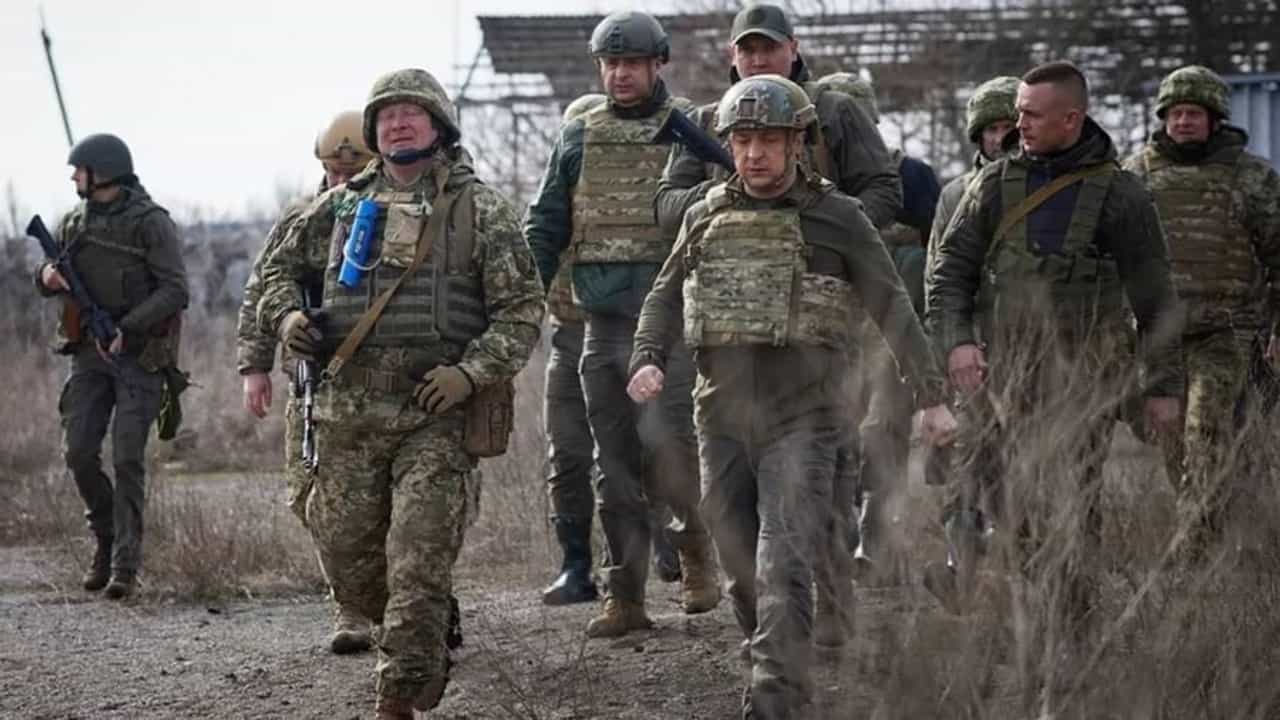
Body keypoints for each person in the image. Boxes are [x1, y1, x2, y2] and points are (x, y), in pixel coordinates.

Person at [628, 74, 957, 718]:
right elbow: (665, 295)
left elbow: (893, 306)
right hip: (720, 414)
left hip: (806, 416)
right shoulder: (704, 214)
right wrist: (647, 356)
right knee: (739, 566)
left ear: (796, 144)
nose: (754, 154)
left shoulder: (839, 217)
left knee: (783, 559)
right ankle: (773, 654)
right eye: (743, 140)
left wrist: (930, 395)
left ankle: (777, 695)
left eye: (770, 141)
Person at [256, 68, 543, 720]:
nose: (399, 123)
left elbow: (523, 310)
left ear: (439, 126)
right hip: (346, 414)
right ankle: (420, 641)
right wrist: (287, 319)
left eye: (413, 113)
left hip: (432, 416)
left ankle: (399, 696)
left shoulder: (481, 211)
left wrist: (471, 373)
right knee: (350, 562)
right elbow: (275, 273)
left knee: (416, 564)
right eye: (387, 115)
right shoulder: (336, 208)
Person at [925, 62, 1183, 645]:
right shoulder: (993, 185)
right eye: (1018, 112)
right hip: (1002, 379)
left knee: (1072, 502)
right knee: (1008, 500)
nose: (1018, 124)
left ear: (1072, 118)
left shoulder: (1120, 195)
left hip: (1085, 382)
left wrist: (1164, 387)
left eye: (1031, 115)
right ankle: (1033, 610)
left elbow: (1157, 299)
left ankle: (1071, 630)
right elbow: (951, 273)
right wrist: (957, 342)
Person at [524, 12, 721, 639]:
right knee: (612, 466)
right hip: (603, 322)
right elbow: (546, 225)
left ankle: (696, 557)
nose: (620, 74)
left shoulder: (691, 127)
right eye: (610, 64)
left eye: (632, 63)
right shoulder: (579, 136)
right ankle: (625, 596)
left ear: (657, 64)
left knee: (673, 448)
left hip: (672, 321)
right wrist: (522, 301)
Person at [235, 110, 382, 654]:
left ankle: (409, 601)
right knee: (309, 496)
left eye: (352, 172)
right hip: (311, 377)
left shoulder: (393, 214)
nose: (340, 182)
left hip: (378, 376)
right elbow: (262, 289)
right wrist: (254, 365)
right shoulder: (300, 218)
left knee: (385, 498)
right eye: (333, 172)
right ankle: (351, 605)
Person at [1123, 65, 1280, 556]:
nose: (1183, 121)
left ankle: (1191, 552)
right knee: (1173, 440)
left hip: (1225, 332)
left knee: (1205, 432)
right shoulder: (1135, 175)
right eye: (1175, 113)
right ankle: (1215, 524)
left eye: (1193, 113)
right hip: (1159, 335)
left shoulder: (1252, 177)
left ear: (1214, 119)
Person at [35, 133, 189, 600]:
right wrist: (46, 276)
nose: (73, 178)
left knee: (126, 458)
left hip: (139, 356)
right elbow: (48, 276)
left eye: (79, 170)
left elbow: (176, 289)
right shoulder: (72, 222)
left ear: (102, 172)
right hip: (87, 355)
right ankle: (104, 535)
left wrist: (128, 327)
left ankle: (125, 563)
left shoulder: (151, 223)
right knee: (78, 452)